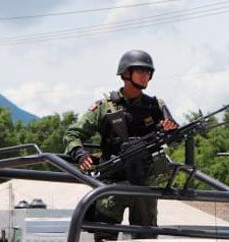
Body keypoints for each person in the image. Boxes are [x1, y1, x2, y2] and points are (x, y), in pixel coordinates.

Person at [63, 49, 179, 229]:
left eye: (148, 72)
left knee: (146, 239)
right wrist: (79, 153)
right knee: (104, 237)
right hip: (112, 182)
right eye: (140, 71)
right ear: (126, 73)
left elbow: (176, 138)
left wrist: (170, 132)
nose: (145, 76)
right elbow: (72, 133)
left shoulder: (155, 106)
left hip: (144, 183)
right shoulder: (106, 107)